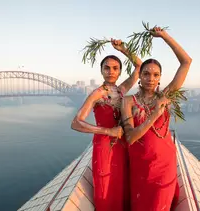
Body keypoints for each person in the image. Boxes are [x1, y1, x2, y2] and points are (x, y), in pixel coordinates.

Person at [121, 27, 192, 211]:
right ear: (140, 76)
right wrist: (154, 114)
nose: (150, 79)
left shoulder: (165, 95)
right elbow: (130, 137)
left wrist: (164, 36)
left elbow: (186, 62)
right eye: (146, 74)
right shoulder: (128, 101)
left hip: (164, 162)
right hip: (141, 165)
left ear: (160, 78)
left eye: (155, 75)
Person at [71, 39, 141, 211]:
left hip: (122, 146)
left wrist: (122, 49)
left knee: (121, 185)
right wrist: (108, 131)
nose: (111, 71)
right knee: (105, 186)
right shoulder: (97, 93)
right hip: (104, 146)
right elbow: (76, 123)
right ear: (101, 71)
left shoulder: (121, 90)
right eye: (107, 68)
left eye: (115, 68)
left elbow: (139, 66)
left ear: (119, 71)